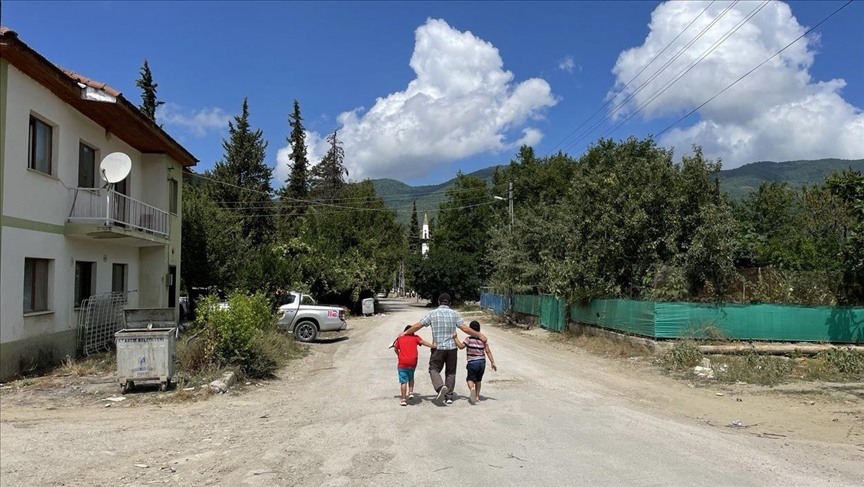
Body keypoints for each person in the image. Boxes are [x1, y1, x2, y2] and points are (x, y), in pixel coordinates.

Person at [399, 292, 486, 404]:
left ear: (438, 302)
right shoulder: (454, 314)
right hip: (452, 349)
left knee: (433, 369)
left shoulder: (432, 314)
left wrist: (405, 333)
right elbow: (464, 328)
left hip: (438, 347)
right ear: (450, 303)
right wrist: (479, 335)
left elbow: (418, 325)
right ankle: (449, 397)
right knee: (451, 372)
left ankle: (440, 388)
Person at [391, 325, 436, 406]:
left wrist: (399, 355)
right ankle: (411, 392)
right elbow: (423, 342)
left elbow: (395, 348)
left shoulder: (400, 338)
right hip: (412, 362)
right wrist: (432, 346)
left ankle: (403, 399)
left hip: (402, 362)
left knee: (403, 381)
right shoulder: (415, 337)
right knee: (411, 377)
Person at [453, 321, 497, 404]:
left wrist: (455, 338)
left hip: (472, 362)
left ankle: (472, 389)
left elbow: (461, 346)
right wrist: (492, 362)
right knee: (478, 380)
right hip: (482, 362)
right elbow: (488, 351)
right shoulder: (483, 340)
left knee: (470, 379)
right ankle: (477, 396)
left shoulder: (468, 339)